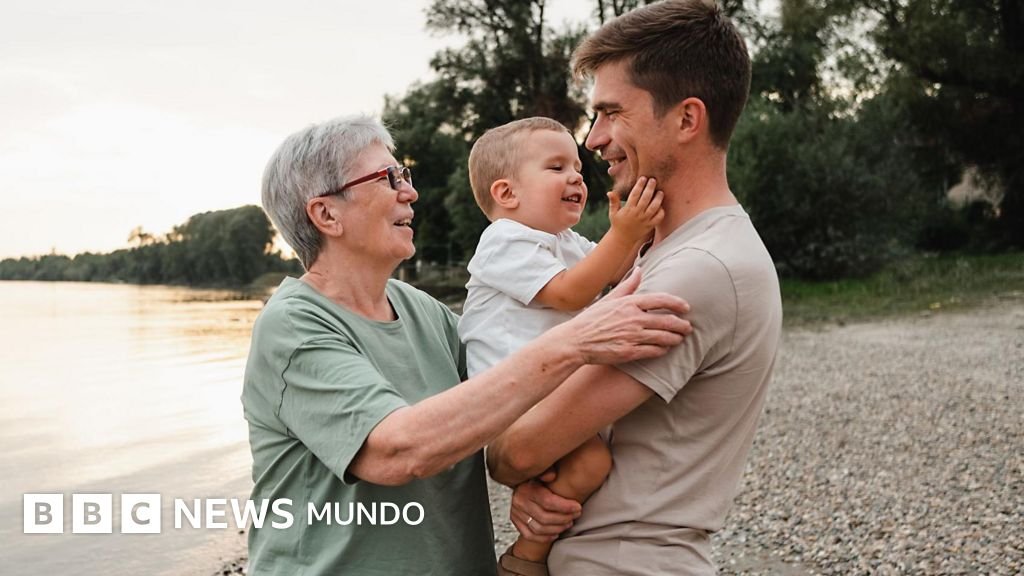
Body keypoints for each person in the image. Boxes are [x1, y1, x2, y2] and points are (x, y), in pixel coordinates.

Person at [241, 115, 694, 575]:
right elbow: (397, 452)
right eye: (387, 178)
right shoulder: (294, 325)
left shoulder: (421, 311)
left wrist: (538, 477)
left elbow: (495, 402)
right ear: (326, 214)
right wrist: (574, 342)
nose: (410, 191)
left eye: (405, 176)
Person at [486, 2, 784, 575]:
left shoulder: (701, 268)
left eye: (610, 113)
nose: (593, 139)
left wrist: (522, 463)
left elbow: (517, 450)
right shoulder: (666, 250)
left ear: (687, 120)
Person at [458, 116, 664, 574]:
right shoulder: (503, 241)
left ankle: (556, 538)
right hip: (513, 403)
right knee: (591, 462)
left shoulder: (564, 241)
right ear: (506, 194)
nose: (575, 175)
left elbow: (611, 272)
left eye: (575, 165)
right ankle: (526, 557)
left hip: (548, 391)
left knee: (592, 461)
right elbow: (571, 292)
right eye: (555, 168)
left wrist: (628, 239)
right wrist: (623, 236)